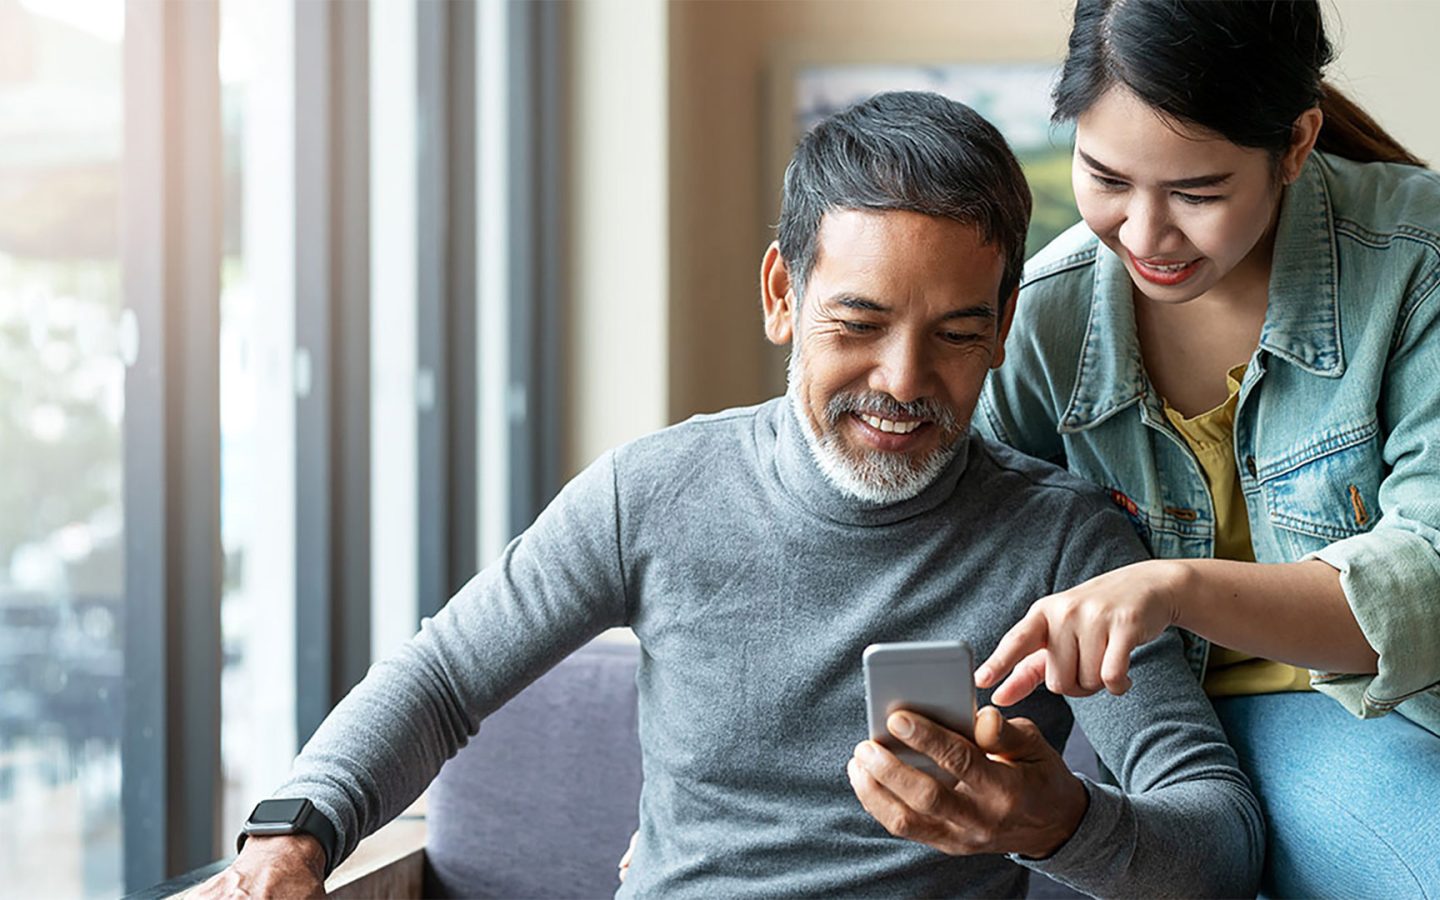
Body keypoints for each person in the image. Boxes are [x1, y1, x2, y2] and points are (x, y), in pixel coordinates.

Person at [195, 92, 1261, 899]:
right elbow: (441, 678)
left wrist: (1053, 821)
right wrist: (296, 828)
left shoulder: (1066, 544)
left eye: (955, 334)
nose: (901, 382)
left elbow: (1220, 841)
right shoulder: (654, 493)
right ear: (781, 295)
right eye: (857, 324)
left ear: (1005, 323)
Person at [972, 0, 1440, 895]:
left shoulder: (1416, 259)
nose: (1145, 237)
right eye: (1106, 178)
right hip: (1158, 732)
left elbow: (1427, 577)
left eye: (1197, 192)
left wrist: (1173, 589)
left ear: (1296, 144)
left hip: (1372, 703)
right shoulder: (1045, 317)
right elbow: (929, 544)